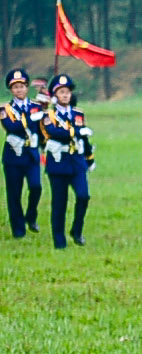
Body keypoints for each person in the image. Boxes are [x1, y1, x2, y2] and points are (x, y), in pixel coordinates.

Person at [37, 75, 92, 249]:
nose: (66, 95)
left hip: (76, 161)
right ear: (55, 96)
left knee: (84, 196)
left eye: (67, 92)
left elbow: (84, 140)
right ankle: (59, 241)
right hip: (58, 163)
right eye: (61, 92)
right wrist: (76, 132)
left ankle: (77, 230)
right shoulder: (48, 116)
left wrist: (89, 158)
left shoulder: (78, 114)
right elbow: (54, 132)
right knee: (59, 203)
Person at [2, 69, 41, 239]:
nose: (19, 90)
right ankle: (18, 230)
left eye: (22, 86)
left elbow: (42, 129)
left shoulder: (37, 106)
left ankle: (31, 216)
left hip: (31, 154)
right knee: (14, 193)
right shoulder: (5, 109)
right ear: (11, 90)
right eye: (15, 87)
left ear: (27, 88)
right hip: (13, 155)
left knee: (36, 186)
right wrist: (30, 118)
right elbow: (12, 127)